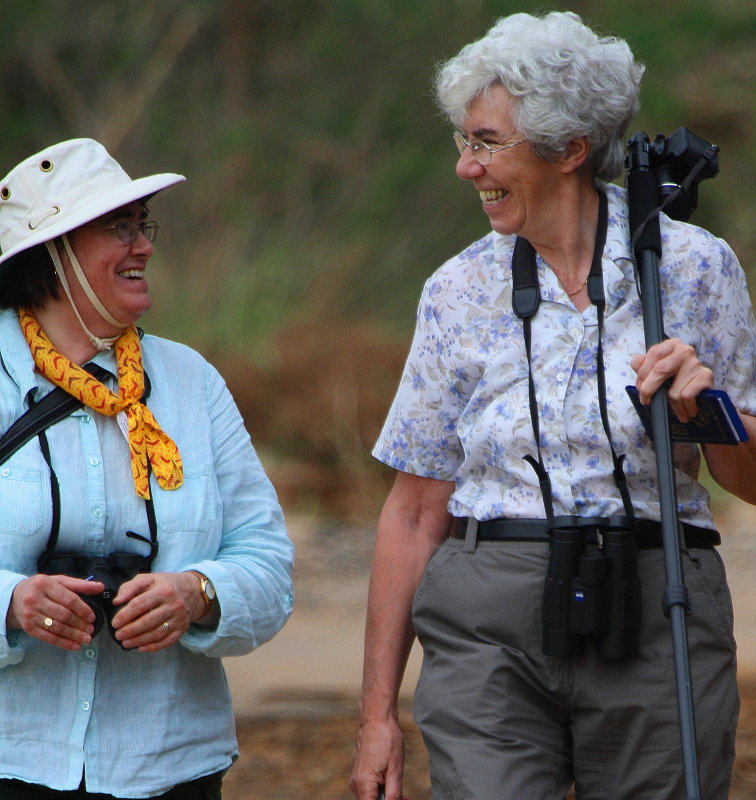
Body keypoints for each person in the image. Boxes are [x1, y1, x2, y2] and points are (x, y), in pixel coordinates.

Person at [350, 11, 755, 800]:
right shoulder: (457, 289)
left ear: (571, 149)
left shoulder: (694, 268)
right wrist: (376, 719)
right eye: (464, 141)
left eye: (488, 142)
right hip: (487, 618)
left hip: (657, 589)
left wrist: (702, 411)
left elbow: (750, 477)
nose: (467, 168)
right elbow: (411, 511)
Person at [0, 138, 294, 799]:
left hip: (170, 766)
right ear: (53, 253)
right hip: (11, 760)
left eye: (142, 224)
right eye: (118, 228)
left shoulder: (191, 383)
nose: (144, 247)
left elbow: (269, 563)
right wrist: (13, 605)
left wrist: (200, 594)